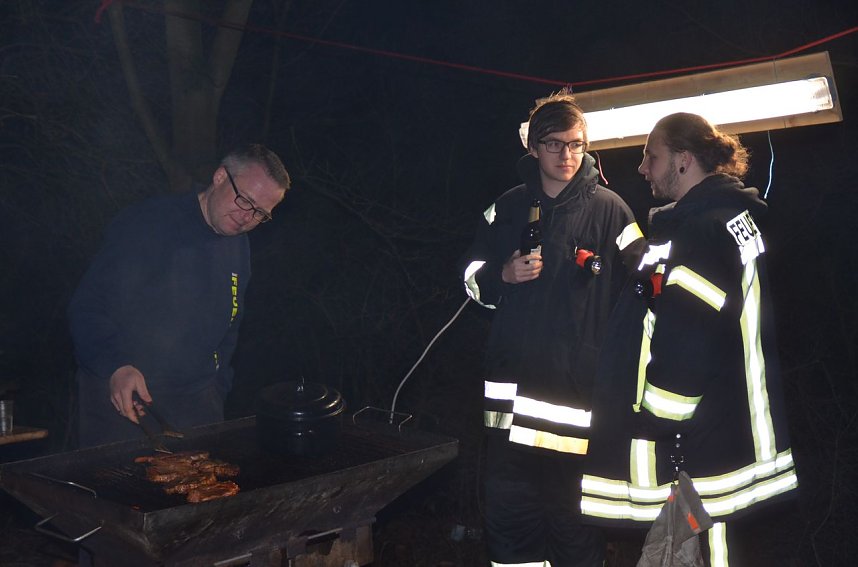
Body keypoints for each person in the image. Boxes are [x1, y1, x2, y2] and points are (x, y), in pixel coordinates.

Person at [580, 113, 798, 565]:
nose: (642, 168)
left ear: (682, 160)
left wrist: (657, 416)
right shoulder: (732, 220)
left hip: (705, 447)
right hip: (733, 430)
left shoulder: (699, 232)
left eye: (650, 156)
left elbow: (689, 333)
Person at [460, 91, 644, 566]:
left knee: (575, 536)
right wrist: (499, 275)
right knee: (510, 535)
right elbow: (469, 276)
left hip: (577, 413)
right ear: (533, 148)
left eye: (577, 145)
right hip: (509, 419)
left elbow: (644, 294)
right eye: (555, 145)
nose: (567, 156)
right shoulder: (506, 208)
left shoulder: (611, 211)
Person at [68, 144, 291, 447]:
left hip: (197, 405)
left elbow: (231, 325)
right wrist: (115, 366)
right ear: (220, 177)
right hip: (124, 397)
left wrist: (217, 388)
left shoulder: (238, 247)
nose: (246, 217)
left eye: (259, 214)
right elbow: (88, 307)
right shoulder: (147, 225)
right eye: (244, 200)